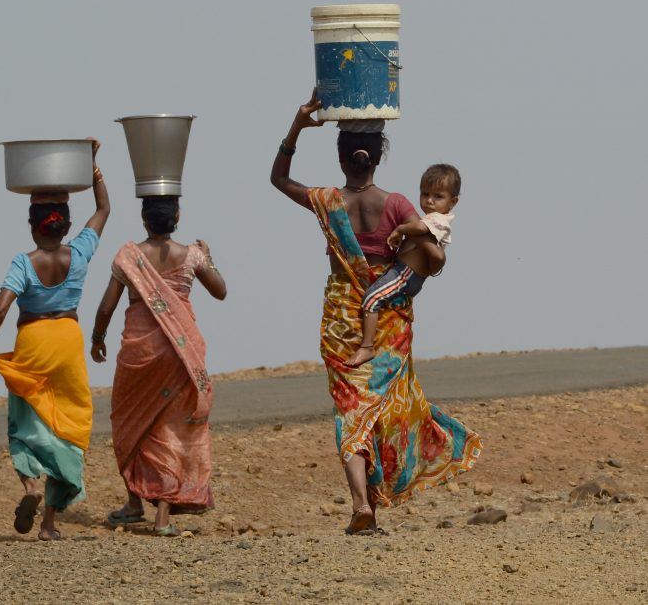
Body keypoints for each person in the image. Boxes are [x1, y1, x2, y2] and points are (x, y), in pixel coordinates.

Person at [270, 90, 481, 535]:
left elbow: (279, 179)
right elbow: (433, 255)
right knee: (380, 408)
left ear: (342, 158)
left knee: (350, 412)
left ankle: (361, 504)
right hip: (389, 321)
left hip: (341, 319)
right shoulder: (399, 205)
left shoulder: (328, 200)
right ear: (379, 157)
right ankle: (370, 503)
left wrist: (296, 126)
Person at [0, 139, 110, 541]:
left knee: (26, 425)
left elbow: (0, 309)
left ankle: (30, 486)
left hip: (33, 341)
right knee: (63, 426)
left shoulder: (23, 262)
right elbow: (103, 209)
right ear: (66, 224)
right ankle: (49, 525)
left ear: (32, 223)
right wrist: (93, 166)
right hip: (68, 341)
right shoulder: (79, 254)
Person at [89, 196, 227, 536]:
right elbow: (220, 291)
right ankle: (159, 515)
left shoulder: (128, 256)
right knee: (170, 427)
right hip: (180, 353)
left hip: (140, 352)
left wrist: (97, 337)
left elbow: (106, 307)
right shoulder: (192, 255)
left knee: (130, 422)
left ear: (143, 218)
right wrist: (209, 258)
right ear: (177, 216)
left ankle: (135, 502)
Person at [346, 163, 461, 367]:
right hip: (404, 272)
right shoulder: (431, 219)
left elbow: (417, 227)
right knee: (381, 303)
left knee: (371, 299)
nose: (430, 201)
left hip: (406, 274)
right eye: (425, 194)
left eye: (438, 196)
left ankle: (367, 347)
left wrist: (400, 229)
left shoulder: (438, 220)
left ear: (453, 202)